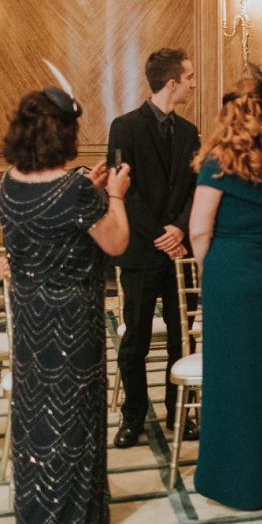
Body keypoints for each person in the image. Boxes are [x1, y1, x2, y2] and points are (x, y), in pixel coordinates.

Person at [0, 88, 131, 523]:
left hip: (29, 319)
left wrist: (87, 192)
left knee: (36, 415)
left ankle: (36, 510)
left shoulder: (7, 183)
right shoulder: (72, 189)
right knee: (74, 416)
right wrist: (114, 194)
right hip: (73, 321)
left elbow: (46, 224)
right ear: (63, 133)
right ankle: (75, 513)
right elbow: (115, 241)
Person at [190, 67, 262, 510]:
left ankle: (229, 478)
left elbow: (199, 230)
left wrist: (213, 270)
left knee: (230, 375)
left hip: (231, 274)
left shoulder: (218, 160)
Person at [107, 47, 200, 448]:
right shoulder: (124, 127)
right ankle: (133, 417)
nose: (194, 83)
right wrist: (158, 234)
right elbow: (122, 190)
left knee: (184, 337)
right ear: (172, 83)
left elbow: (197, 188)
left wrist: (178, 230)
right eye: (190, 77)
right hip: (142, 252)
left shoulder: (191, 132)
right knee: (135, 341)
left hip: (180, 252)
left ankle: (180, 411)